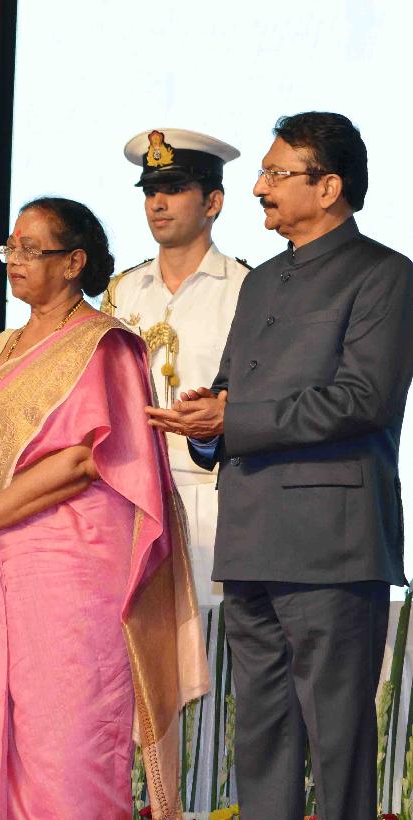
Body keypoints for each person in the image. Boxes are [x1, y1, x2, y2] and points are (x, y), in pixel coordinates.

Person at [148, 111, 413, 820]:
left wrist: (232, 418)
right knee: (261, 736)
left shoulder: (384, 274)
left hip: (331, 544)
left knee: (337, 740)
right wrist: (206, 422)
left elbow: (362, 400)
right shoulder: (262, 281)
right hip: (251, 536)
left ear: (328, 187)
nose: (259, 187)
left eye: (275, 173)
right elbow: (233, 390)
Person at [0, 197, 207, 819]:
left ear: (74, 262)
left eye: (32, 249)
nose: (15, 260)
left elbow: (80, 461)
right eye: (11, 248)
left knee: (67, 747)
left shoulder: (105, 346)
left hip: (70, 577)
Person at [103, 128, 250, 603]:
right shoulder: (122, 290)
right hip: (127, 492)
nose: (157, 204)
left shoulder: (247, 287)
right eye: (150, 192)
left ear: (213, 203)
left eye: (174, 189)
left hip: (211, 492)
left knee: (208, 635)